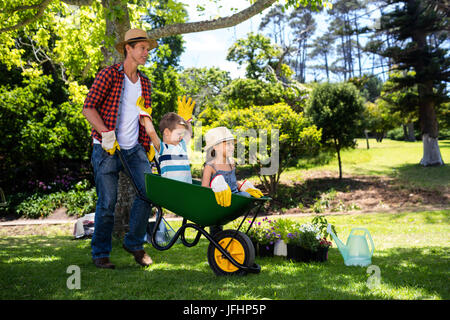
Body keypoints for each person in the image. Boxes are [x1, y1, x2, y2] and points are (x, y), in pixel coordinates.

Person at [82, 28, 158, 269]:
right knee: (107, 203)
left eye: (148, 49)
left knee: (148, 193)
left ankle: (134, 243)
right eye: (142, 48)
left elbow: (144, 117)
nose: (147, 53)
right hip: (106, 148)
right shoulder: (109, 76)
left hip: (133, 148)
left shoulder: (145, 83)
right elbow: (88, 108)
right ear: (128, 48)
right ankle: (100, 253)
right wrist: (106, 134)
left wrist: (152, 145)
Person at [201, 127, 264, 236]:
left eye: (232, 144)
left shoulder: (231, 162)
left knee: (246, 195)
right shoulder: (210, 166)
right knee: (216, 229)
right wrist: (216, 187)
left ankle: (219, 239)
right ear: (215, 146)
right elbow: (204, 190)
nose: (232, 147)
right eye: (227, 144)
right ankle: (216, 240)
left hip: (233, 197)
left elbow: (233, 182)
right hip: (219, 201)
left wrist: (245, 187)